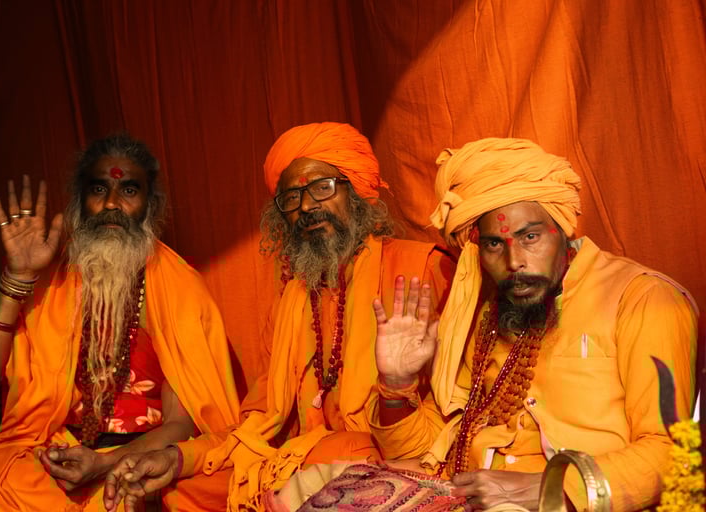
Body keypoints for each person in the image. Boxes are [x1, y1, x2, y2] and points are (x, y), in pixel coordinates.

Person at [106, 122, 456, 511]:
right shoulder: (293, 297)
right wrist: (177, 457)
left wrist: (396, 387)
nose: (306, 206)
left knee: (344, 451)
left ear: (357, 190)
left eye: (322, 188)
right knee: (181, 490)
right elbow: (257, 424)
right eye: (291, 197)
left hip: (392, 459)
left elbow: (454, 414)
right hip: (300, 461)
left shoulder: (421, 268)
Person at [362, 137, 698, 511]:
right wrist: (397, 385)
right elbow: (431, 451)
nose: (514, 261)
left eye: (530, 237)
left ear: (563, 230)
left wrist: (551, 488)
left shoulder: (645, 300)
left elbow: (672, 453)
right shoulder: (489, 314)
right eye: (494, 244)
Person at [0, 133, 240, 511]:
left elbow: (182, 423)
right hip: (52, 451)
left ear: (150, 205)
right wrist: (17, 277)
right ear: (79, 201)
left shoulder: (179, 289)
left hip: (137, 456)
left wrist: (104, 463)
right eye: (99, 189)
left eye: (129, 190)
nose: (112, 203)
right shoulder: (51, 282)